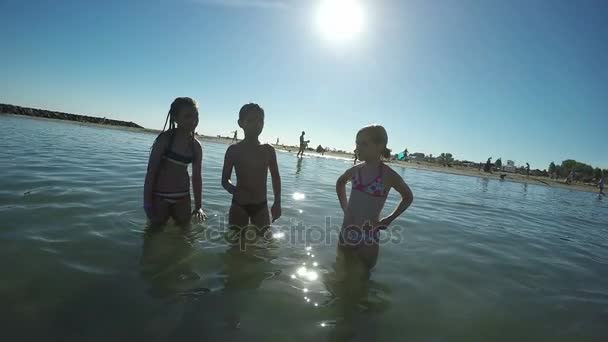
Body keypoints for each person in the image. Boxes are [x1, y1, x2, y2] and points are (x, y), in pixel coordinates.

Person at [336, 125, 414, 272]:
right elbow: (340, 182)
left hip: (368, 235)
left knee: (363, 276)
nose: (358, 147)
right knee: (340, 270)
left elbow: (408, 197)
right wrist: (345, 208)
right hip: (347, 229)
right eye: (357, 143)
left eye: (363, 144)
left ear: (380, 146)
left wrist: (388, 219)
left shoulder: (388, 175)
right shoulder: (356, 170)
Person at [143, 97, 207, 228]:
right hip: (160, 196)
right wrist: (147, 203)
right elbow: (151, 172)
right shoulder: (165, 140)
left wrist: (199, 206)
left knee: (185, 235)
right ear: (175, 118)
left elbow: (196, 177)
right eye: (188, 116)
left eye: (196, 116)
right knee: (154, 234)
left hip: (183, 197)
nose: (193, 120)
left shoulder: (196, 146)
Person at [222, 103, 282, 236]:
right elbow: (225, 180)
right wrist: (234, 190)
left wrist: (277, 202)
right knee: (235, 245)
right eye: (251, 120)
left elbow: (275, 177)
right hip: (239, 205)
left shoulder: (268, 150)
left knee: (263, 248)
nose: (257, 124)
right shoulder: (234, 150)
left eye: (260, 120)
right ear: (240, 123)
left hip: (261, 205)